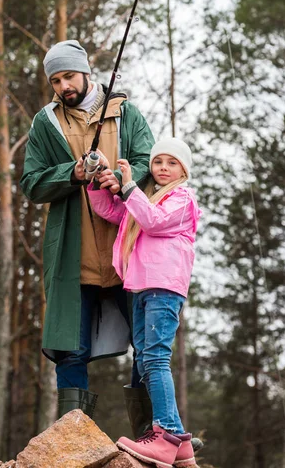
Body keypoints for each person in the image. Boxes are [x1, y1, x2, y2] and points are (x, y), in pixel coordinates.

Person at [20, 39, 155, 425]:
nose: (64, 86)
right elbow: (31, 183)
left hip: (128, 253)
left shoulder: (125, 111)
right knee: (70, 349)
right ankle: (73, 440)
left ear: (86, 72)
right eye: (56, 80)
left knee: (148, 344)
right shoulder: (45, 123)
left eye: (69, 76)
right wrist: (72, 174)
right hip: (72, 256)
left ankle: (149, 435)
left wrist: (124, 178)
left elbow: (149, 160)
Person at [87, 137, 202, 468]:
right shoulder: (147, 198)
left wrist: (127, 186)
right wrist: (99, 180)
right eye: (158, 162)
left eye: (172, 163)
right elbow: (109, 210)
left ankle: (165, 434)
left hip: (163, 287)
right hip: (140, 287)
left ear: (183, 170)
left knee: (155, 358)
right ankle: (180, 447)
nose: (163, 168)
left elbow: (152, 220)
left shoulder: (182, 200)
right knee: (145, 358)